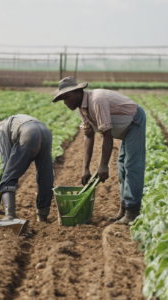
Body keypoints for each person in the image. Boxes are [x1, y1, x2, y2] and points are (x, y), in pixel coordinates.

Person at [52, 77, 146, 225]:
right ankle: (124, 209)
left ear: (78, 91)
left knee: (132, 166)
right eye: (62, 98)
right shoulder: (81, 108)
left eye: (67, 96)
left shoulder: (97, 101)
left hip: (134, 122)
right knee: (121, 166)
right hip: (125, 127)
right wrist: (85, 168)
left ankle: (133, 212)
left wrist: (103, 165)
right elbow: (89, 136)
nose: (65, 101)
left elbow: (107, 136)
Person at [0, 114, 54, 222]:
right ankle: (43, 213)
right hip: (45, 131)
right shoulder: (10, 123)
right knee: (45, 174)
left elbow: (6, 165)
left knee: (8, 176)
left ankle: (10, 216)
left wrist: (4, 181)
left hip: (29, 132)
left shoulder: (0, 129)